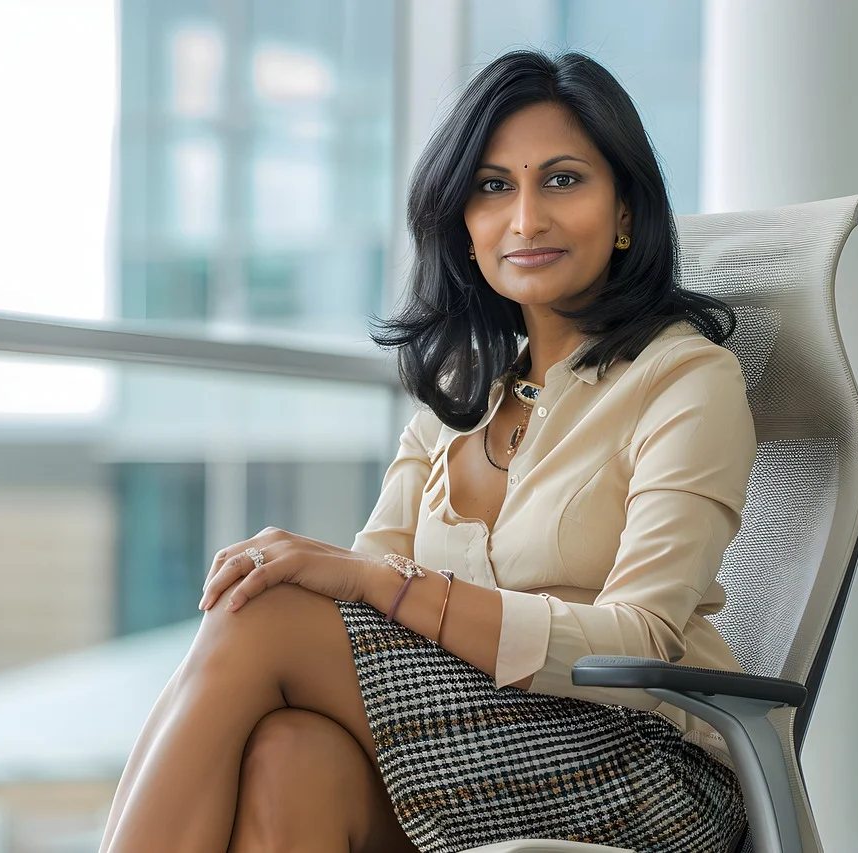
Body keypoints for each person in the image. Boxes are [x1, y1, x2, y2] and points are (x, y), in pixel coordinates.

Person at [98, 49, 755, 853]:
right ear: (464, 223)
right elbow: (359, 616)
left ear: (625, 211)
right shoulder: (460, 397)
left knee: (263, 613)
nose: (525, 219)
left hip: (645, 770)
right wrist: (375, 584)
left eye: (562, 180)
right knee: (290, 755)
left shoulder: (686, 379)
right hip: (474, 748)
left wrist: (389, 586)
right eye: (493, 186)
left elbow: (642, 641)